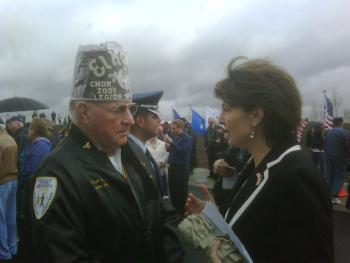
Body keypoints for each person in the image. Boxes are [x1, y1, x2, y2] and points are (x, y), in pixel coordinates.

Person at [27, 41, 184, 262]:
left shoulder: (134, 151)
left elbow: (162, 211)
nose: (130, 119)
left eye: (130, 108)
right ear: (84, 113)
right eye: (119, 109)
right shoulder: (55, 174)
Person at [186, 57, 333, 262]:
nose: (220, 118)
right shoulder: (257, 164)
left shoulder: (296, 176)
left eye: (227, 108)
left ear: (255, 115)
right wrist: (216, 215)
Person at [129, 90, 165, 196]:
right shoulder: (127, 153)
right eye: (155, 117)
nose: (159, 121)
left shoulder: (140, 148)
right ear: (140, 121)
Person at [165, 119, 192, 215]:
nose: (172, 130)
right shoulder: (176, 137)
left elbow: (183, 152)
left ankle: (183, 212)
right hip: (173, 167)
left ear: (181, 127)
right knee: (173, 190)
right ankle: (175, 210)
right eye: (171, 128)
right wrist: (168, 148)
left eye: (174, 128)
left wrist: (171, 143)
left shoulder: (187, 138)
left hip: (181, 168)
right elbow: (174, 150)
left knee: (181, 191)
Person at [0, 119, 18, 261]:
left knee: (1, 219)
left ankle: (3, 252)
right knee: (11, 217)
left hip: (2, 183)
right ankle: (13, 247)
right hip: (13, 180)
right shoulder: (11, 139)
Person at [324, 117, 350, 204]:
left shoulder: (328, 132)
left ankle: (327, 195)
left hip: (328, 157)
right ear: (341, 123)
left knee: (329, 176)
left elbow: (324, 144)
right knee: (338, 177)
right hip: (340, 158)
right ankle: (334, 196)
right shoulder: (345, 133)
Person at [146, 127, 170, 197]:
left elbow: (166, 154)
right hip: (150, 170)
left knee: (163, 191)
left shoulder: (163, 144)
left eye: (155, 134)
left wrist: (161, 162)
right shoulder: (145, 144)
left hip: (161, 170)